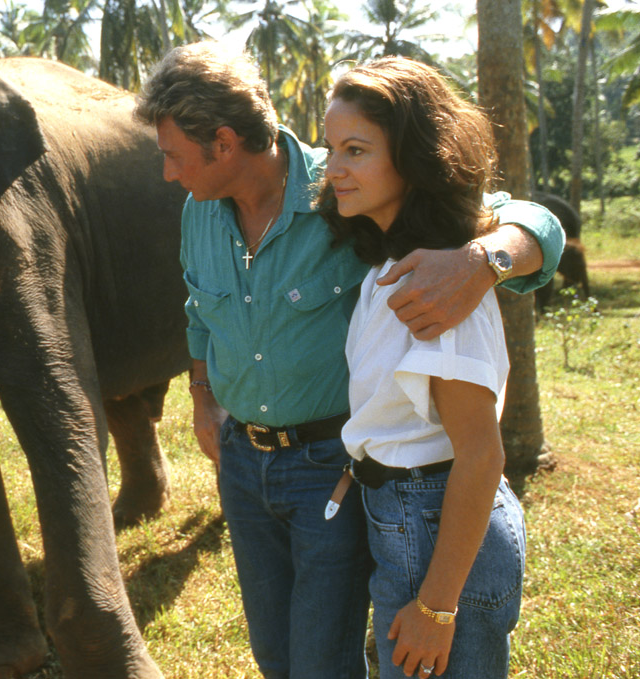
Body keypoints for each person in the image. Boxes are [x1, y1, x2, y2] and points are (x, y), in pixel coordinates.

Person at [134, 42, 562, 679]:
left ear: (222, 143)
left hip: (333, 470)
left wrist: (481, 259)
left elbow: (524, 221)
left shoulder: (388, 235)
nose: (167, 173)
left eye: (172, 155)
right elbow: (200, 311)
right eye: (338, 151)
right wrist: (204, 397)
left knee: (322, 658)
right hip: (254, 468)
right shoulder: (217, 215)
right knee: (278, 656)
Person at [323, 57, 528, 679]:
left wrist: (437, 609)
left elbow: (481, 456)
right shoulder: (391, 264)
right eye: (330, 147)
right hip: (412, 518)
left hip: (433, 526)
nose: (333, 169)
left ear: (413, 158)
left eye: (355, 150)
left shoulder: (439, 286)